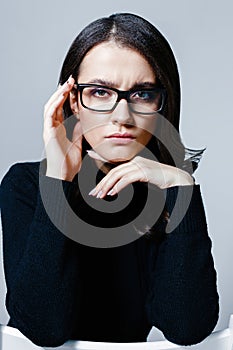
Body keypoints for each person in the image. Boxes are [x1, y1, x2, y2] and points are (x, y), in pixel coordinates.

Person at [0, 13, 219, 347]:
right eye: (100, 92)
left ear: (161, 105)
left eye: (143, 94)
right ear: (73, 100)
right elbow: (44, 329)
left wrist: (181, 187)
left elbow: (187, 328)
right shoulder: (25, 184)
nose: (122, 116)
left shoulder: (162, 197)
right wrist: (58, 179)